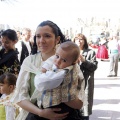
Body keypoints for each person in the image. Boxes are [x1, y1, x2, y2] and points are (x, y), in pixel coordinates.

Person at [11, 20, 85, 120]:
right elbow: (19, 97)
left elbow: (79, 104)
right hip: (36, 115)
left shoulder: (70, 64)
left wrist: (60, 94)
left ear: (57, 39)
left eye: (47, 36)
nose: (41, 40)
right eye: (38, 36)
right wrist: (41, 112)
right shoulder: (30, 62)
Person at [33, 41, 85, 112]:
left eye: (64, 60)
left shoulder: (63, 73)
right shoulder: (64, 64)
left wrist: (40, 74)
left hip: (59, 106)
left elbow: (41, 82)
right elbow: (51, 60)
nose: (58, 61)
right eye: (57, 56)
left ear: (73, 62)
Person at [74, 33, 98, 120]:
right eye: (77, 39)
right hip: (73, 84)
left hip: (86, 83)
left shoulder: (90, 52)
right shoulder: (70, 52)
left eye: (81, 39)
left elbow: (94, 67)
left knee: (84, 109)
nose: (79, 41)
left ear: (84, 41)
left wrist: (84, 60)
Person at [0, 29, 20, 97]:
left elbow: (12, 78)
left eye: (7, 42)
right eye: (2, 42)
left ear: (15, 41)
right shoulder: (2, 52)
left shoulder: (13, 58)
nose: (4, 45)